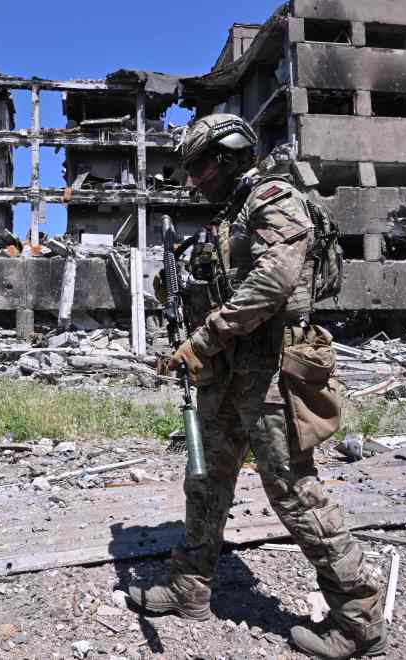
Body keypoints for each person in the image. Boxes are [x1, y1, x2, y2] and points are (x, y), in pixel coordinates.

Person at [126, 115, 386, 659]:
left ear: (228, 155)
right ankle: (190, 587)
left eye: (198, 166)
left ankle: (359, 623)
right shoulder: (230, 217)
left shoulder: (272, 197)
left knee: (295, 493)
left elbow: (274, 281)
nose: (193, 180)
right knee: (205, 482)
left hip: (270, 370)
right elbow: (224, 283)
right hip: (228, 372)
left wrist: (204, 338)